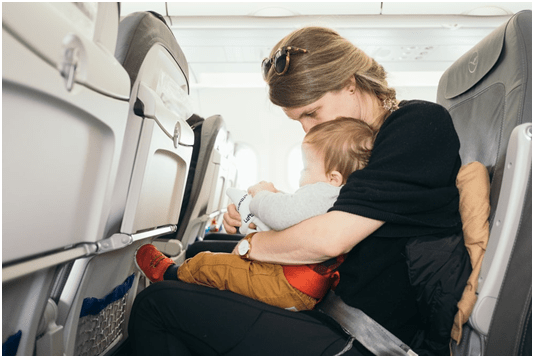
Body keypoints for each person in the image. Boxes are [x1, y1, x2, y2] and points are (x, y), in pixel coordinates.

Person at [127, 26, 470, 355]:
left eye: (311, 112)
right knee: (205, 249)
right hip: (328, 306)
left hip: (363, 338)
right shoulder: (362, 142)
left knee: (156, 305)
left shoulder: (417, 125)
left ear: (349, 83)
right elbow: (325, 208)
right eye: (299, 120)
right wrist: (255, 211)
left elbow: (329, 239)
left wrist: (253, 245)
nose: (306, 129)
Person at [135, 117, 376, 312]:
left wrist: (262, 195)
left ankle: (170, 275)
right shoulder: (338, 195)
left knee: (210, 263)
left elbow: (282, 215)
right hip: (298, 285)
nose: (302, 175)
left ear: (333, 177)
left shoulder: (324, 192)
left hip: (287, 283)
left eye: (306, 168)